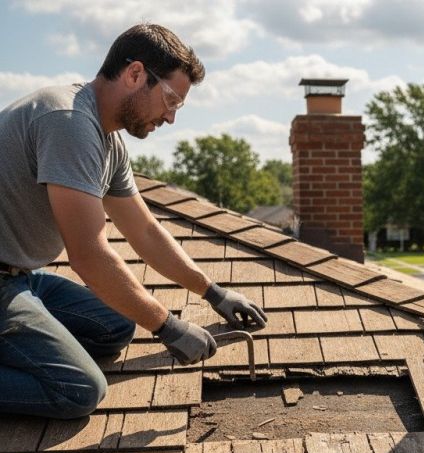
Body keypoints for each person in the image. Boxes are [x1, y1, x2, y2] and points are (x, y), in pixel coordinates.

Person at [0, 23, 266, 420]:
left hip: (20, 277)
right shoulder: (68, 121)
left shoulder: (107, 140)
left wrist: (212, 292)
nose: (171, 118)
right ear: (136, 74)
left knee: (117, 326)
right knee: (79, 389)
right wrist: (168, 327)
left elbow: (144, 231)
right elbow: (89, 256)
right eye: (171, 99)